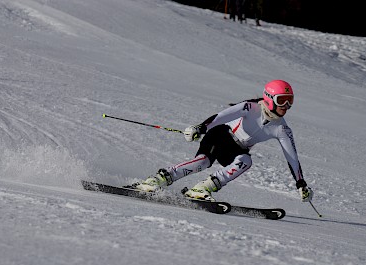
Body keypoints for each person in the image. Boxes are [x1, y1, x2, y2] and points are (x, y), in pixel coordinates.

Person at [132, 80, 314, 203]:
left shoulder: (282, 129)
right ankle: (157, 180)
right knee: (203, 162)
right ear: (269, 98)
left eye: (290, 101)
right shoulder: (250, 107)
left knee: (245, 161)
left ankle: (202, 188)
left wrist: (301, 184)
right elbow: (221, 117)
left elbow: (292, 159)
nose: (286, 107)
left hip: (237, 148)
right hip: (221, 135)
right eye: (282, 101)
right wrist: (200, 128)